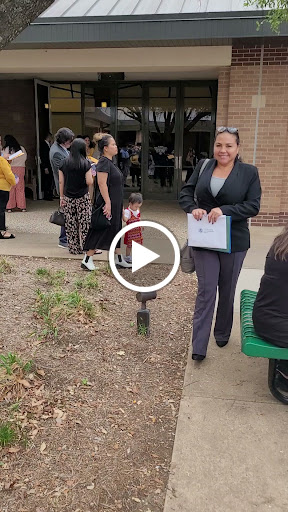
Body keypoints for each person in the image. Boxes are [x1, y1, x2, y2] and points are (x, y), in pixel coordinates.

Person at [179, 126, 262, 361]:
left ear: (237, 148)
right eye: (218, 145)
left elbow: (253, 206)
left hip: (234, 241)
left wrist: (224, 210)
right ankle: (199, 346)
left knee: (226, 289)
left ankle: (223, 331)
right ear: (213, 146)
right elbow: (186, 192)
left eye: (228, 146)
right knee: (206, 291)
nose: (222, 150)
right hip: (204, 239)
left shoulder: (248, 172)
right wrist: (192, 208)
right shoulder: (204, 166)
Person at [82, 134, 132, 271]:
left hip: (114, 202)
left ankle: (119, 258)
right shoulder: (103, 162)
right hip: (107, 202)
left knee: (115, 230)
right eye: (113, 145)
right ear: (105, 148)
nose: (116, 147)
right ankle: (87, 259)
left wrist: (119, 207)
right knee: (101, 229)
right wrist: (108, 203)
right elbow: (102, 183)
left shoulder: (110, 163)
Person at [58, 138, 93, 255]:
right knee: (85, 223)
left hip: (68, 197)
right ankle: (86, 247)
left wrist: (61, 197)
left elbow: (61, 182)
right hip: (82, 196)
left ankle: (73, 248)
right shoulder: (86, 163)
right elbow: (89, 181)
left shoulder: (63, 163)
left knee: (71, 223)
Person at [50, 127, 75, 249]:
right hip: (64, 185)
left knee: (67, 211)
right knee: (66, 212)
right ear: (64, 141)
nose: (70, 143)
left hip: (66, 184)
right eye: (69, 141)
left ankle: (65, 238)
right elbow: (64, 170)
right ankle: (63, 239)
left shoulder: (60, 149)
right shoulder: (56, 152)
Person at [3, 135, 27, 212]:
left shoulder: (7, 149)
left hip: (10, 168)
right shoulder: (21, 148)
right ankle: (22, 206)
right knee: (20, 187)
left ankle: (10, 207)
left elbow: (5, 159)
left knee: (11, 187)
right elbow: (25, 157)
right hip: (21, 168)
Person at [122, 192, 143, 264]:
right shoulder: (128, 211)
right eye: (136, 206)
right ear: (130, 204)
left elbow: (139, 217)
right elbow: (125, 220)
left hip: (137, 232)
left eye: (138, 206)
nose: (137, 208)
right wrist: (123, 213)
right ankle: (127, 256)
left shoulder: (137, 210)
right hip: (130, 232)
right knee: (129, 245)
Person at [0, 154, 16, 239]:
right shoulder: (2, 160)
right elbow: (8, 174)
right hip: (2, 187)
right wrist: (13, 182)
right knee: (1, 209)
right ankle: (2, 231)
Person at [40, 131, 53, 201]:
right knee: (47, 180)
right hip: (46, 166)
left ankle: (50, 194)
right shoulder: (44, 145)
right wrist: (45, 167)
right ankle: (46, 195)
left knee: (49, 180)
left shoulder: (48, 145)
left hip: (49, 165)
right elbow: (44, 157)